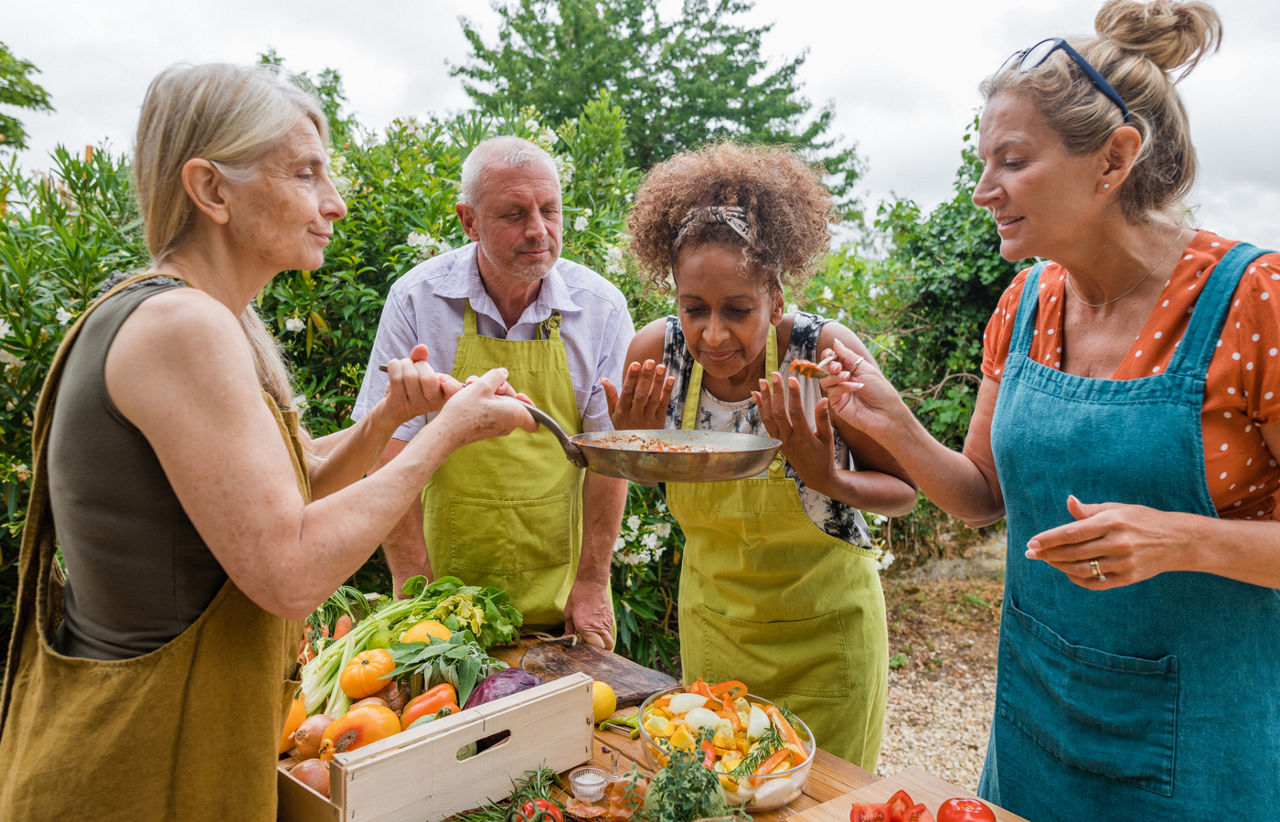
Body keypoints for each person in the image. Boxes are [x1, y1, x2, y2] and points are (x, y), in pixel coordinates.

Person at [0, 63, 535, 820]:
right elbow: (290, 572)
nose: (335, 203)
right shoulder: (183, 327)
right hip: (140, 769)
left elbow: (287, 487)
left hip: (165, 749)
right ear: (211, 190)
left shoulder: (196, 316)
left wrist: (387, 420)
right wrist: (445, 433)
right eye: (305, 173)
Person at [820, 1, 1280, 816]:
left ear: (1114, 159)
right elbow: (981, 497)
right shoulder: (1025, 303)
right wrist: (891, 419)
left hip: (1206, 751)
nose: (982, 190)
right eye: (983, 162)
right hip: (1035, 727)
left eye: (1012, 161)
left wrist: (1181, 539)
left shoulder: (1253, 303)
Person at [603, 142, 917, 768]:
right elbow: (647, 481)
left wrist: (828, 477)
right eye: (693, 308)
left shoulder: (822, 355)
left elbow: (904, 492)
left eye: (738, 310)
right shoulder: (658, 355)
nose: (713, 334)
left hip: (828, 643)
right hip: (717, 637)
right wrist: (633, 451)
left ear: (775, 294)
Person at [353, 136, 633, 648]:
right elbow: (387, 447)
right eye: (514, 214)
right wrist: (413, 584)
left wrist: (593, 582)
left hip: (563, 594)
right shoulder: (417, 299)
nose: (538, 229)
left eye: (550, 210)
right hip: (444, 594)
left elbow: (610, 456)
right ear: (469, 221)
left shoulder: (601, 308)